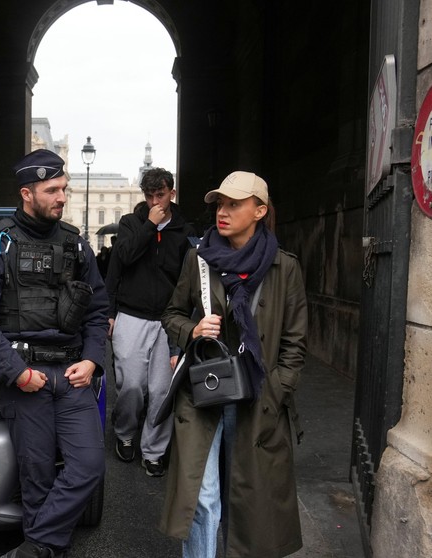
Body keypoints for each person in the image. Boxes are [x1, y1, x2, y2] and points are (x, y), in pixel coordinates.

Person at [0, 149, 108, 558]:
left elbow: (98, 311)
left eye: (64, 188)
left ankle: (35, 547)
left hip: (73, 374)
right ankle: (47, 550)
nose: (62, 197)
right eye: (52, 190)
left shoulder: (76, 245)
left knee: (89, 467)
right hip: (25, 378)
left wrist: (92, 360)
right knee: (37, 478)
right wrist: (17, 373)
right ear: (27, 193)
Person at [159, 171, 307, 557]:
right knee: (202, 496)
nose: (222, 212)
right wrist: (193, 330)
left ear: (259, 211)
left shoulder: (284, 267)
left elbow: (294, 342)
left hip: (257, 398)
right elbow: (171, 314)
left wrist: (278, 389)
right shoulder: (198, 260)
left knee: (248, 500)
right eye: (219, 204)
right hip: (203, 393)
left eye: (234, 204)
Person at [106, 167, 195, 477]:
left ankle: (154, 451)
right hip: (132, 314)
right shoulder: (131, 224)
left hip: (169, 319)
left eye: (161, 195)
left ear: (172, 193)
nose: (155, 201)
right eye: (149, 196)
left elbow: (188, 280)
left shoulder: (184, 231)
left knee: (161, 390)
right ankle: (125, 432)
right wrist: (109, 312)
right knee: (130, 385)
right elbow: (121, 262)